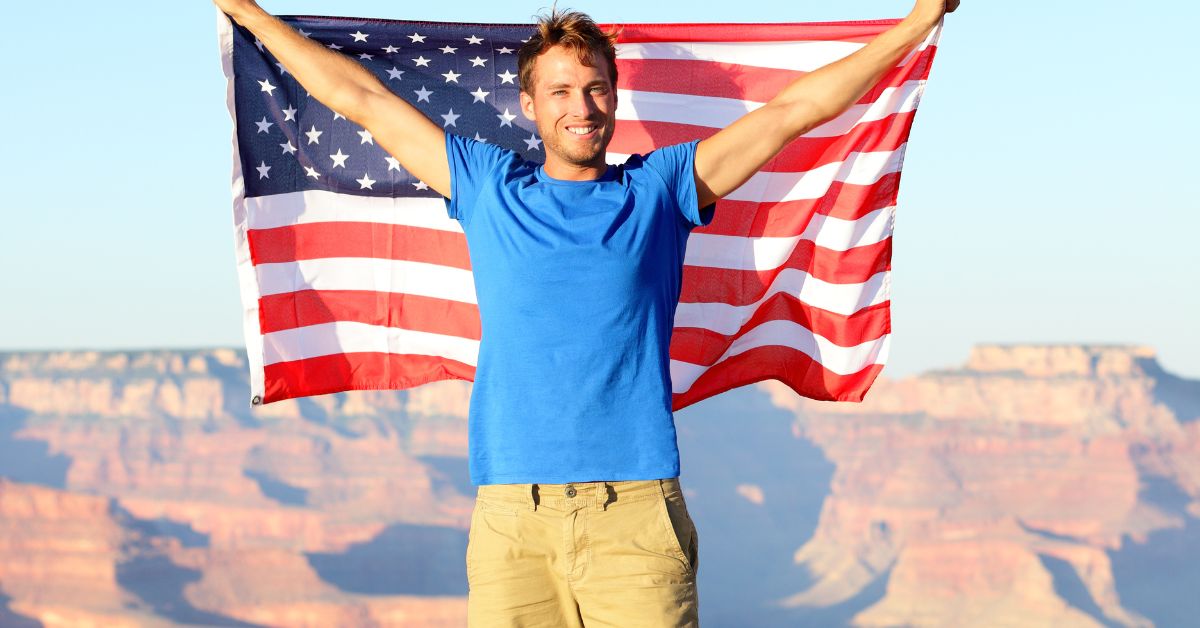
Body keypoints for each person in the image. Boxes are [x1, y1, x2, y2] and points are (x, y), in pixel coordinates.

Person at [213, 1, 959, 625]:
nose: (582, 107)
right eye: (562, 91)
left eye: (596, 89)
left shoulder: (661, 191)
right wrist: (246, 12)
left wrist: (914, 25)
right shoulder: (487, 185)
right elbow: (364, 101)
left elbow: (792, 112)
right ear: (530, 105)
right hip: (512, 522)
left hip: (634, 519)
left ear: (615, 96)